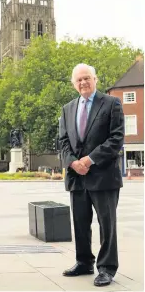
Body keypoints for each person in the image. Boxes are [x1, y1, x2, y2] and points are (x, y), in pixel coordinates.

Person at [59, 63, 124, 287]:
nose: (83, 83)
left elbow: (116, 139)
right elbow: (63, 141)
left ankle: (106, 268)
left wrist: (89, 159)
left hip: (104, 176)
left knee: (107, 224)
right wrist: (73, 162)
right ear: (73, 84)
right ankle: (84, 261)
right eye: (79, 80)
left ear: (95, 79)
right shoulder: (67, 108)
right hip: (77, 176)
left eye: (87, 78)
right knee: (80, 222)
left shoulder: (111, 103)